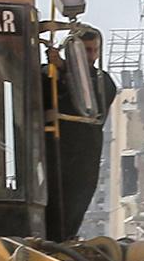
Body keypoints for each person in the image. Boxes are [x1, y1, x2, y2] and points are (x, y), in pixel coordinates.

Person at [46, 26, 118, 237]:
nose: (92, 57)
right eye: (85, 51)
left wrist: (65, 69)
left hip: (81, 163)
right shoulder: (47, 75)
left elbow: (90, 98)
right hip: (49, 159)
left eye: (95, 51)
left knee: (68, 220)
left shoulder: (102, 82)